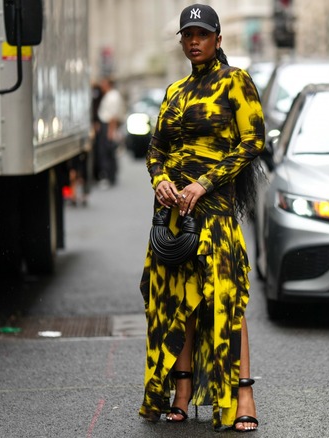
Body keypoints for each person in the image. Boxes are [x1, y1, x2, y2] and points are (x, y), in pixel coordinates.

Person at [137, 4, 264, 432]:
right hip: (173, 214)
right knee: (178, 303)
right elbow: (155, 148)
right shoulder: (173, 92)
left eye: (202, 34)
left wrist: (204, 182)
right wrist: (160, 180)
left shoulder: (235, 82)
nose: (194, 41)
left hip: (214, 211)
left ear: (218, 39)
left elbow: (253, 142)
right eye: (188, 34)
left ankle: (243, 394)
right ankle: (182, 391)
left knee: (227, 301)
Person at [96, 77, 124, 186]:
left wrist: (110, 131)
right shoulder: (109, 95)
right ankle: (110, 176)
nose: (101, 85)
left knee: (107, 152)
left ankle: (109, 176)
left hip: (108, 126)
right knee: (107, 152)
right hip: (106, 125)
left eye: (103, 83)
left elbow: (113, 116)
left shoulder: (112, 96)